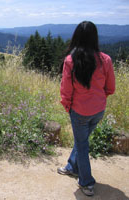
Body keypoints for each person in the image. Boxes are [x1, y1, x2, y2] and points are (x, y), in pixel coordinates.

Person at [58, 21, 115, 196]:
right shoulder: (105, 59)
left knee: (82, 145)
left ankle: (87, 183)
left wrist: (67, 105)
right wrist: (99, 99)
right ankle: (71, 166)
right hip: (98, 111)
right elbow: (110, 87)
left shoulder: (70, 61)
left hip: (79, 111)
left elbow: (66, 88)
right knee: (81, 141)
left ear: (77, 37)